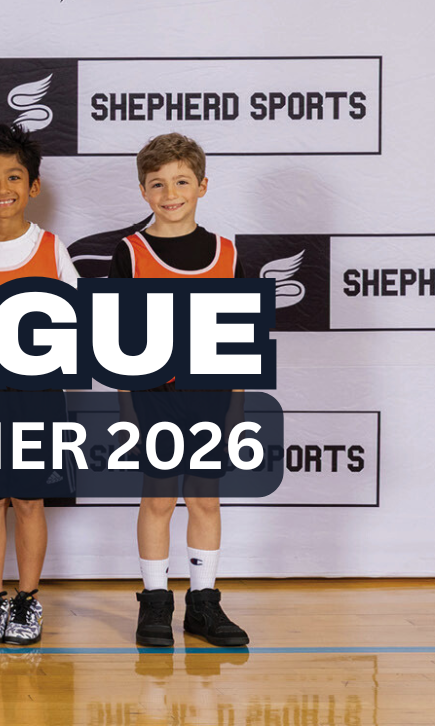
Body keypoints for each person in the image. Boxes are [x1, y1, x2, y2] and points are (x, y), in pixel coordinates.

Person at [108, 132, 249, 649]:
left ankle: (203, 603)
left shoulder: (227, 254)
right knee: (159, 498)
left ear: (202, 186)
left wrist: (236, 405)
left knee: (205, 499)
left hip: (211, 395)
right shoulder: (130, 252)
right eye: (158, 184)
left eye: (182, 182)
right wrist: (128, 409)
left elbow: (238, 340)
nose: (171, 194)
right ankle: (154, 602)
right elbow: (119, 341)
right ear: (143, 191)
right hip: (154, 396)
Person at [0, 122, 80, 646]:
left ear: (34, 186)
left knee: (28, 500)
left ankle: (26, 599)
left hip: (37, 394)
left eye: (13, 177)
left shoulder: (51, 248)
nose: (1, 188)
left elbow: (74, 324)